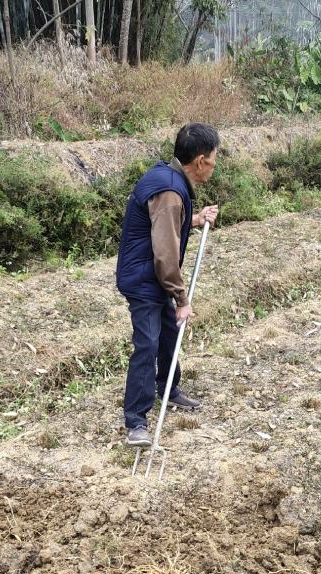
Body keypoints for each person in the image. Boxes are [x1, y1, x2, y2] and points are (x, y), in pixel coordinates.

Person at [116, 123, 220, 447]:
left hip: (152, 275)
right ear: (201, 160)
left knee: (168, 334)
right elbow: (165, 253)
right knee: (147, 344)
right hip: (145, 278)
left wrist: (197, 219)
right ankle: (136, 421)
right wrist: (181, 298)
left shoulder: (169, 180)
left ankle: (169, 390)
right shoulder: (171, 192)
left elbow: (167, 224)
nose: (215, 166)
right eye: (214, 159)